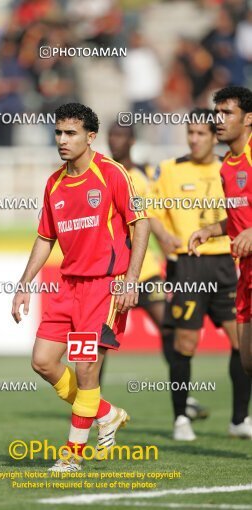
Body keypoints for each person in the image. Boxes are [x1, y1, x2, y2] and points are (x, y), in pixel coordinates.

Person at [11, 103, 150, 471]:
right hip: (66, 285)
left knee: (86, 368)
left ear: (90, 137)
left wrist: (131, 280)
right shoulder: (54, 182)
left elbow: (142, 224)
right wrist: (24, 283)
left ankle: (72, 455)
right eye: (58, 133)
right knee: (42, 362)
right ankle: (107, 413)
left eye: (70, 133)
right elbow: (45, 237)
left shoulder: (112, 174)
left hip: (103, 287)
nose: (62, 140)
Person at [150, 108, 251, 441]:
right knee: (185, 342)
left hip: (226, 264)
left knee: (242, 342)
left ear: (214, 135)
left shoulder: (231, 165)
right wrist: (164, 237)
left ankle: (239, 418)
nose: (194, 139)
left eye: (201, 133)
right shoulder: (170, 169)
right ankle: (181, 417)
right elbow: (148, 211)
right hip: (189, 266)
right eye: (189, 133)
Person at [107, 122, 209, 421]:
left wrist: (167, 245)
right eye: (112, 135)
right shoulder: (101, 175)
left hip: (145, 271)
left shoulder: (142, 175)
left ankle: (183, 396)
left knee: (169, 327)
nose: (116, 141)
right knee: (99, 338)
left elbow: (150, 215)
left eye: (121, 135)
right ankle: (92, 405)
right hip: (111, 274)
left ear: (132, 140)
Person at [189, 87, 252, 389]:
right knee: (248, 361)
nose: (219, 120)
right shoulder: (227, 165)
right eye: (217, 113)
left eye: (227, 113)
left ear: (249, 118)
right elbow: (240, 216)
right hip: (245, 272)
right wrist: (211, 230)